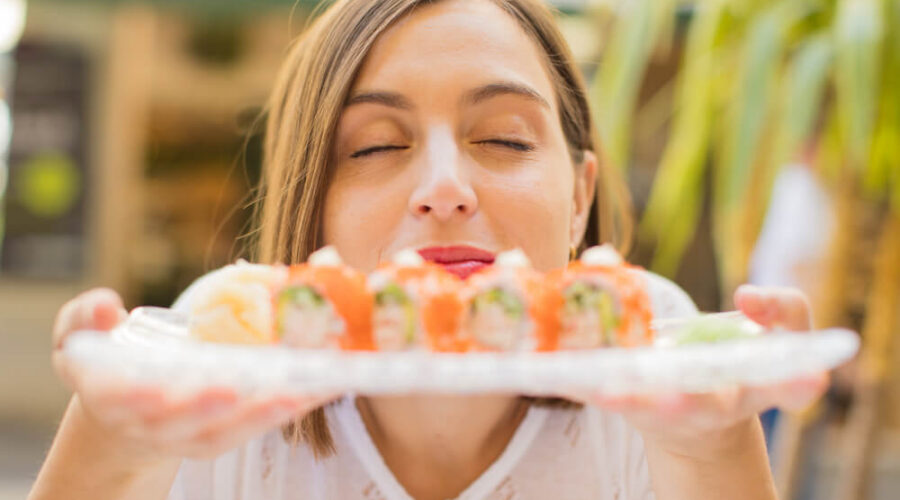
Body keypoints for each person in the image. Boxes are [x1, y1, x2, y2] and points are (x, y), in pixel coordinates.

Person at [28, 1, 828, 499]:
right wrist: (111, 453)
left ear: (579, 195)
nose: (445, 188)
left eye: (505, 138)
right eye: (376, 147)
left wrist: (715, 451)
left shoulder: (660, 353)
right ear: (312, 210)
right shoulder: (211, 361)